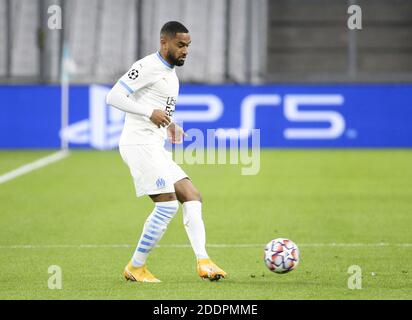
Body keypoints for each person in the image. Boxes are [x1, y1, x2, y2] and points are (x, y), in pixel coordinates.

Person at [106, 21, 227, 282]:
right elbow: (114, 96)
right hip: (138, 144)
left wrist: (169, 124)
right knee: (167, 206)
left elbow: (156, 106)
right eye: (180, 45)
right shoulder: (147, 66)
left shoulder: (170, 73)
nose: (185, 51)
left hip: (155, 145)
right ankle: (136, 266)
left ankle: (204, 261)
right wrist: (150, 113)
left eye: (188, 46)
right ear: (164, 42)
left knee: (192, 195)